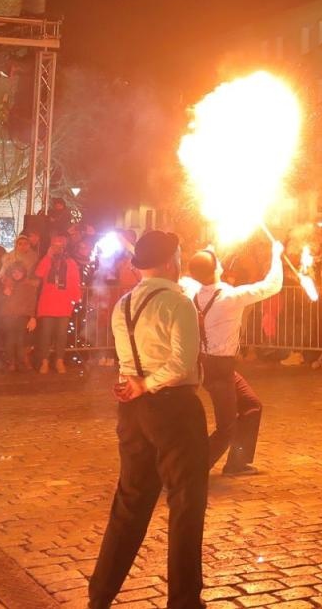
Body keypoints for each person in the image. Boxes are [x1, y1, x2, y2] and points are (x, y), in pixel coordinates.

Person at [89, 230, 206, 609]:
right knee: (186, 505)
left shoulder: (123, 304)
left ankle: (100, 595)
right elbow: (181, 362)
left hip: (133, 412)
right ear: (172, 260)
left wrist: (133, 386)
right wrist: (147, 385)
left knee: (130, 502)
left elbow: (128, 361)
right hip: (172, 407)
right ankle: (185, 602)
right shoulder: (178, 302)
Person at [182, 238, 284, 476]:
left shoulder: (191, 290)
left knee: (252, 406)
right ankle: (192, 471)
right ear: (216, 269)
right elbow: (271, 286)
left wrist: (209, 252)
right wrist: (276, 254)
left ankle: (237, 462)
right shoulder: (230, 298)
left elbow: (192, 275)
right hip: (218, 368)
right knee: (226, 427)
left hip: (211, 364)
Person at [30, 234, 83, 373]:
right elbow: (39, 273)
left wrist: (76, 300)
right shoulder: (47, 260)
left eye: (60, 246)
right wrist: (47, 257)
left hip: (64, 304)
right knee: (45, 334)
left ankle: (59, 360)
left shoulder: (71, 263)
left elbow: (75, 282)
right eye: (55, 246)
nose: (58, 249)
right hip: (48, 303)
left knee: (61, 335)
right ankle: (44, 362)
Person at [0, 261, 39, 371]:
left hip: (22, 317)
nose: (16, 274)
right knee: (10, 339)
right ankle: (11, 362)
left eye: (19, 272)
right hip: (8, 316)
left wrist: (32, 317)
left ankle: (22, 361)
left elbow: (32, 302)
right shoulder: (6, 284)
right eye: (14, 272)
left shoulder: (28, 286)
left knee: (21, 339)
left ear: (23, 273)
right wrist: (3, 294)